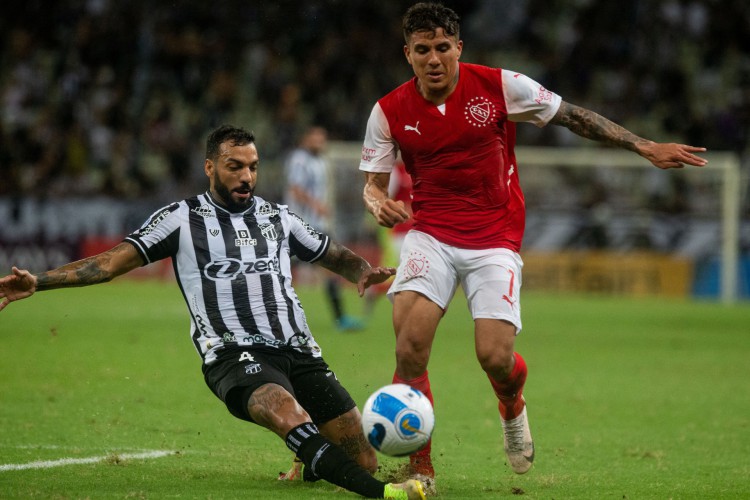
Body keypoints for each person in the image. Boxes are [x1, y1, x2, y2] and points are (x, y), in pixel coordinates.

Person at [359, 2, 708, 493]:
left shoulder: (502, 86)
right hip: (430, 233)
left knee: (494, 357)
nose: (433, 59)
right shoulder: (389, 110)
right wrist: (377, 202)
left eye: (442, 48)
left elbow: (574, 117)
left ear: (459, 47)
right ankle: (421, 468)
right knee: (409, 346)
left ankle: (512, 405)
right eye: (422, 50)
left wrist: (643, 146)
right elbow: (372, 184)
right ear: (407, 54)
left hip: (495, 238)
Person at [0, 125, 426, 500]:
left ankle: (314, 462)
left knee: (363, 459)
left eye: (253, 167)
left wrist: (362, 269)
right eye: (234, 166)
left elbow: (328, 252)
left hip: (299, 351)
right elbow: (110, 262)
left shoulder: (277, 217)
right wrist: (40, 281)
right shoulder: (180, 219)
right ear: (210, 168)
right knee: (290, 417)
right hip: (233, 355)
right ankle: (385, 494)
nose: (246, 177)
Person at [284, 125, 364, 331]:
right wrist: (316, 205)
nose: (319, 142)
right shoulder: (299, 159)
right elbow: (296, 188)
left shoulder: (320, 161)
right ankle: (280, 317)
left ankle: (340, 318)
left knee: (330, 268)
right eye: (315, 138)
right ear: (306, 139)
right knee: (283, 271)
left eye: (322, 138)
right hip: (298, 225)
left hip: (317, 226)